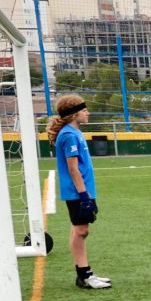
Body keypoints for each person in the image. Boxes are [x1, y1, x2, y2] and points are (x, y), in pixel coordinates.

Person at [50, 94, 111, 289]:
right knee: (81, 231)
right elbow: (73, 168)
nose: (88, 113)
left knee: (79, 230)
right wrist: (84, 195)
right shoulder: (69, 135)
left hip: (81, 190)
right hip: (77, 191)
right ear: (74, 114)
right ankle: (84, 275)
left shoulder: (74, 132)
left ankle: (84, 274)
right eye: (84, 110)